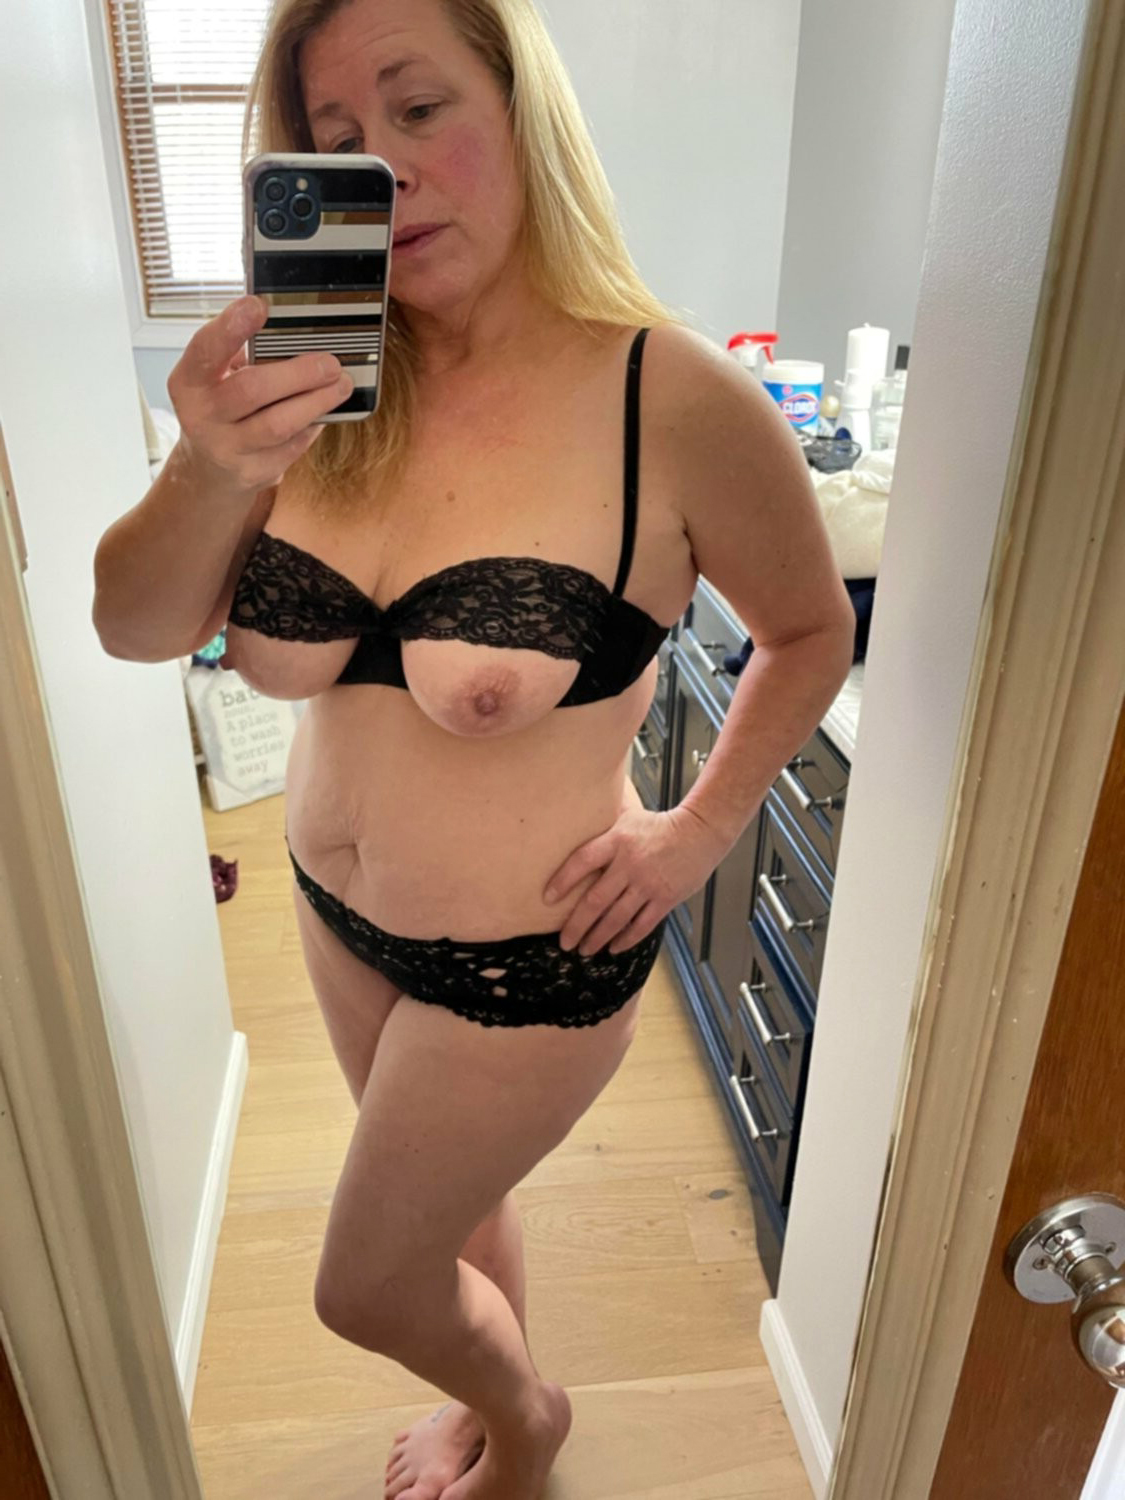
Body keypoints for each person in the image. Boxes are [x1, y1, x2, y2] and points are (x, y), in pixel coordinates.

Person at [92, 1, 855, 1495]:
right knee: (451, 1209)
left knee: (369, 1284)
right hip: (336, 912)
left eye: (419, 107)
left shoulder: (670, 397)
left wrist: (698, 831)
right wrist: (210, 461)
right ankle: (489, 1398)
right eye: (334, 140)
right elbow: (134, 626)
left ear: (519, 110)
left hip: (533, 955)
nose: (383, 167)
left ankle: (525, 1420)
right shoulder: (315, 395)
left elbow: (810, 630)